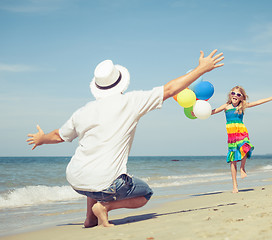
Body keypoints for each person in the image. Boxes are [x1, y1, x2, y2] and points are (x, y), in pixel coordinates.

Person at [27, 49, 224, 227]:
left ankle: (89, 219)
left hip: (76, 179)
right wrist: (201, 69)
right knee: (145, 193)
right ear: (120, 83)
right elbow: (170, 89)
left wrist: (41, 138)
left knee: (94, 174)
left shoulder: (83, 111)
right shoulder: (131, 101)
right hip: (106, 183)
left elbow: (58, 135)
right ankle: (104, 208)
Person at [212, 86, 272, 193]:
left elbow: (257, 102)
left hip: (241, 131)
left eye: (238, 94)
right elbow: (212, 111)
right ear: (230, 94)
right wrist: (197, 113)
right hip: (231, 135)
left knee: (246, 147)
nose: (235, 95)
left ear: (241, 97)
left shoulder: (242, 106)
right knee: (233, 159)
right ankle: (235, 185)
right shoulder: (226, 106)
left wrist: (271, 98)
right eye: (233, 93)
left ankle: (242, 168)